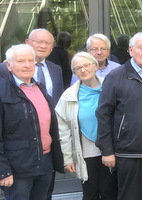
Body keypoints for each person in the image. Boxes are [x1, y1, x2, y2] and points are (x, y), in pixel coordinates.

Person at [95, 32, 142, 200]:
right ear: (130, 50)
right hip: (128, 154)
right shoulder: (115, 76)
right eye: (141, 48)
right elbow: (103, 114)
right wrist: (107, 151)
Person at [0, 44, 64, 199]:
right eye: (21, 61)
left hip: (44, 162)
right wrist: (3, 170)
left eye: (31, 60)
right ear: (9, 65)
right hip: (18, 167)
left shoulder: (39, 88)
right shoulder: (2, 91)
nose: (27, 65)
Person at [56, 52, 117, 200]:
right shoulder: (68, 96)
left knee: (110, 192)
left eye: (86, 65)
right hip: (86, 152)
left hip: (111, 149)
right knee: (90, 193)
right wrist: (68, 158)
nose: (83, 70)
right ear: (74, 72)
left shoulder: (111, 88)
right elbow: (63, 130)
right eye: (78, 68)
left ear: (95, 66)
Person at [0, 29, 65, 106]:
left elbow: (59, 98)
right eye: (39, 42)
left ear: (51, 48)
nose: (43, 46)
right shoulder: (6, 68)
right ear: (27, 42)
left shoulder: (56, 69)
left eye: (47, 43)